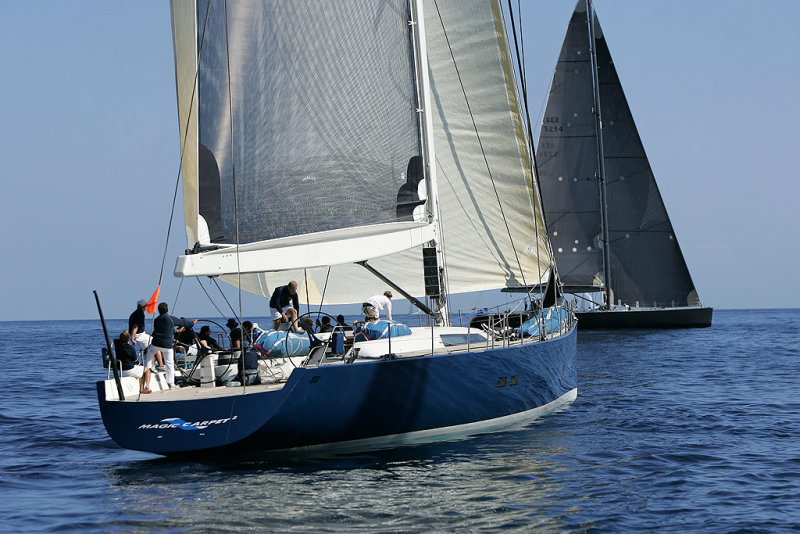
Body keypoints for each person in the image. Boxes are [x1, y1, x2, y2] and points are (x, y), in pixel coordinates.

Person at [146, 302, 197, 390]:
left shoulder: (156, 320)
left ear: (159, 311)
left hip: (156, 343)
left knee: (148, 360)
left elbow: (164, 330)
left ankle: (146, 376)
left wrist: (174, 331)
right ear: (167, 310)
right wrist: (192, 323)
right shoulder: (170, 319)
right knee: (169, 364)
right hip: (167, 345)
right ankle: (171, 384)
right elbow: (183, 322)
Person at [129, 299, 164, 368]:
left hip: (141, 334)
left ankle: (151, 365)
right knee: (156, 344)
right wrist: (132, 338)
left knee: (151, 347)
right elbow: (135, 326)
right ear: (143, 306)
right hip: (139, 336)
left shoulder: (136, 313)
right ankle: (161, 365)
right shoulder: (140, 314)